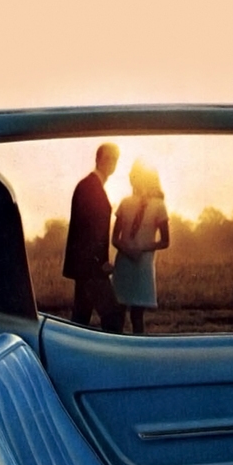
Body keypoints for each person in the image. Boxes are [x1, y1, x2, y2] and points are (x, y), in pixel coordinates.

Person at [62, 142, 123, 332]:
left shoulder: (91, 185)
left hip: (85, 267)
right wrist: (100, 262)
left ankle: (76, 357)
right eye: (108, 158)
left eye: (115, 160)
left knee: (81, 319)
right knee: (113, 315)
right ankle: (111, 357)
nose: (111, 163)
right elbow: (88, 233)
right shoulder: (90, 187)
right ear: (98, 160)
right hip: (91, 267)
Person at [111, 160, 169, 334]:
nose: (131, 178)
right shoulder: (125, 203)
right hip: (124, 263)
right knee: (118, 313)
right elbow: (114, 238)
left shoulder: (159, 206)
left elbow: (165, 241)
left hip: (142, 265)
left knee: (137, 317)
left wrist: (142, 248)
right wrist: (127, 249)